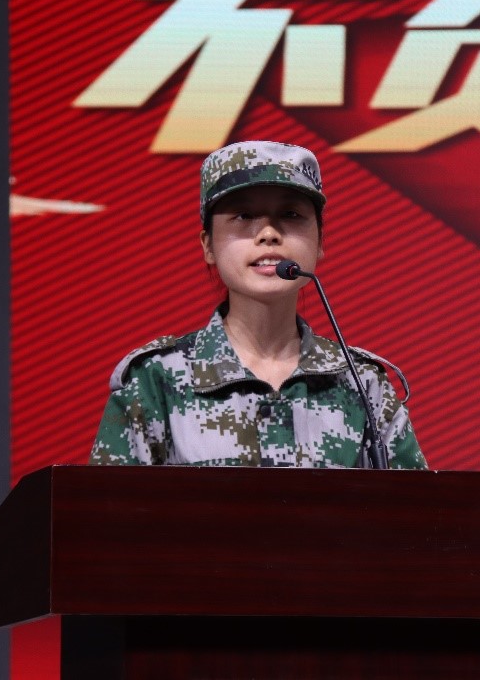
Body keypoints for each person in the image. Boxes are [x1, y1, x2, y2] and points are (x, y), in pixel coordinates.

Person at [89, 140, 427, 469]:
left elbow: (416, 506)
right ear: (208, 245)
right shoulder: (154, 382)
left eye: (291, 214)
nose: (268, 233)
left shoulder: (363, 384)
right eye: (244, 215)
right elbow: (107, 507)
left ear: (320, 242)